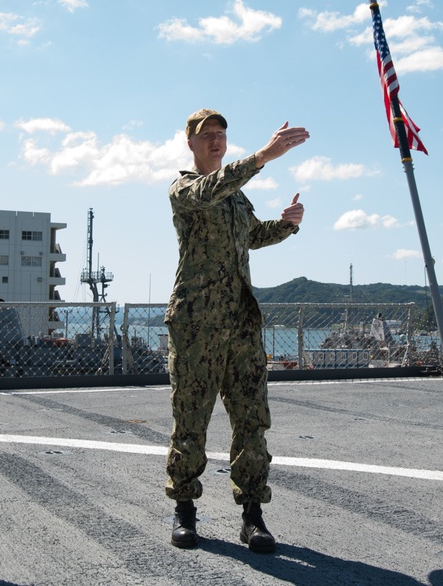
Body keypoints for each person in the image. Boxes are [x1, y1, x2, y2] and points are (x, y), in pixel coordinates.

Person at [165, 108, 308, 553]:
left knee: (251, 422)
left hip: (241, 325)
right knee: (191, 420)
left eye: (221, 134)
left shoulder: (235, 198)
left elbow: (251, 235)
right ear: (190, 143)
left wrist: (287, 225)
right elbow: (213, 187)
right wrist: (264, 155)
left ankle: (253, 516)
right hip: (197, 327)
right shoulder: (186, 189)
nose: (215, 141)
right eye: (206, 135)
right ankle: (185, 510)